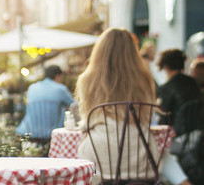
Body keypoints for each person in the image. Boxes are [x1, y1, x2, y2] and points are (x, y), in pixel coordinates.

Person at [75, 28, 191, 185]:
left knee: (80, 160)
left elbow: (87, 117)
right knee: (160, 153)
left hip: (99, 150)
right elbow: (148, 115)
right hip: (139, 148)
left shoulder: (87, 79)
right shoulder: (144, 78)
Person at [16, 65, 75, 143]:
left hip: (27, 132)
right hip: (51, 135)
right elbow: (74, 105)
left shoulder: (32, 87)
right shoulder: (60, 89)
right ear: (58, 76)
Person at [156, 49, 201, 131]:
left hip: (178, 132)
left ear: (165, 66)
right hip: (197, 130)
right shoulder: (194, 82)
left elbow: (164, 116)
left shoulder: (166, 87)